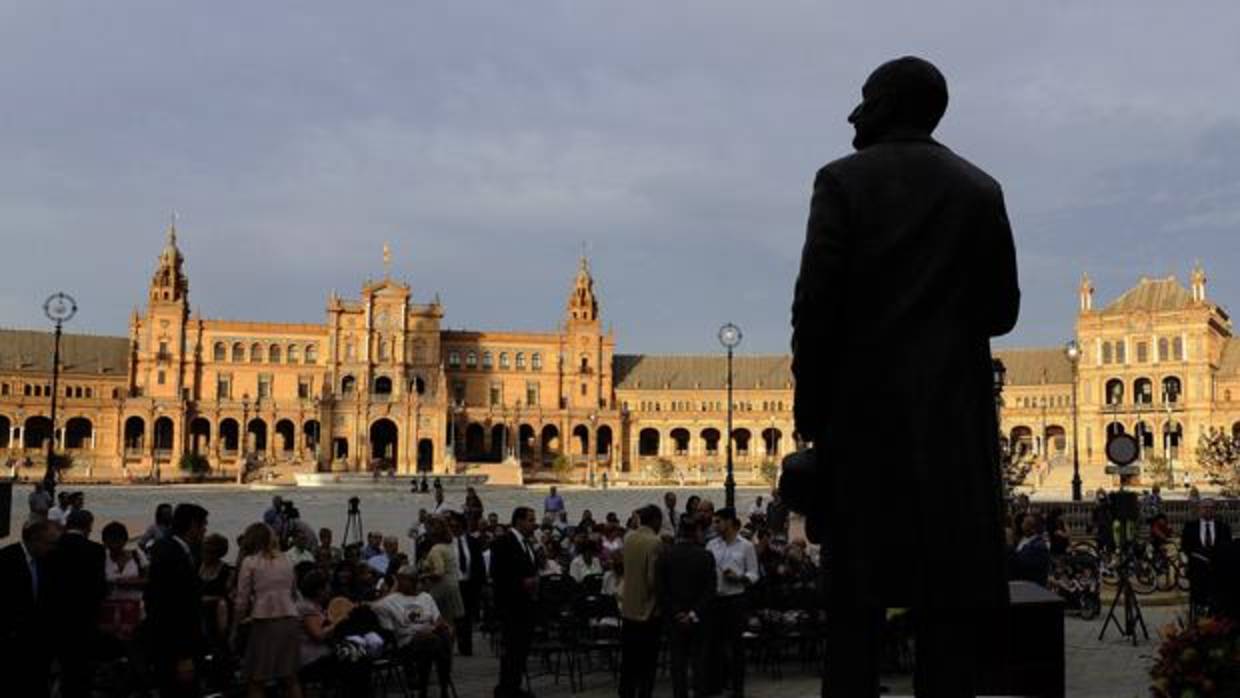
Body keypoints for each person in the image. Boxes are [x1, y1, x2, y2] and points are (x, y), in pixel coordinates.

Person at [791, 56, 1019, 696]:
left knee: (854, 622)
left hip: (864, 433)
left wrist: (812, 417)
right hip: (952, 438)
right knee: (947, 623)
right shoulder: (981, 190)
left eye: (864, 99)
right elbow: (1003, 311)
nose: (853, 114)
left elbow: (815, 308)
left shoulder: (840, 182)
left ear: (890, 105)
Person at [146, 503, 209, 697]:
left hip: (169, 641)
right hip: (177, 644)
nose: (205, 530)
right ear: (192, 526)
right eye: (203, 525)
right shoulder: (174, 556)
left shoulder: (166, 548)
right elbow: (173, 606)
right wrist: (184, 654)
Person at [234, 522, 303, 698]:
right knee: (290, 677)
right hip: (290, 618)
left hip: (265, 620)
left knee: (257, 679)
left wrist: (236, 625)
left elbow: (242, 600)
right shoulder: (286, 560)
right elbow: (294, 593)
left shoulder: (250, 562)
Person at [48, 509, 108, 698]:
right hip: (85, 618)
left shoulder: (52, 548)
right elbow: (100, 588)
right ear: (88, 526)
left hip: (55, 616)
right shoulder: (96, 550)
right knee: (81, 669)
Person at [372, 565, 452, 698]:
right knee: (433, 643)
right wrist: (393, 589)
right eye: (400, 579)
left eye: (406, 579)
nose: (403, 582)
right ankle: (436, 688)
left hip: (431, 636)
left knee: (442, 636)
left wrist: (439, 626)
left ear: (414, 581)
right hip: (408, 642)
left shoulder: (425, 597)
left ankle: (433, 687)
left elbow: (438, 619)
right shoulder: (391, 600)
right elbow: (374, 607)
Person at [0, 519, 60, 698]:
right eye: (50, 543)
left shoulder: (47, 562)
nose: (53, 548)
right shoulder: (6, 559)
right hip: (12, 641)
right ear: (35, 539)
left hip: (39, 642)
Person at [657, 518, 716, 698]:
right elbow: (710, 589)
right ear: (695, 532)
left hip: (674, 617)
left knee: (678, 661)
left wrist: (676, 612)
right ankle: (699, 692)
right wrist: (693, 612)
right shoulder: (705, 556)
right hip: (698, 616)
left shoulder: (665, 556)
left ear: (679, 532)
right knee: (699, 660)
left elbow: (661, 589)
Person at [705, 507, 758, 697]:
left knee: (736, 647)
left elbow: (754, 573)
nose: (715, 525)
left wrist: (740, 577)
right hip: (715, 601)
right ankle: (716, 686)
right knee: (714, 646)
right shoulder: (711, 545)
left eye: (718, 521)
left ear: (728, 522)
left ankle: (737, 688)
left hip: (736, 600)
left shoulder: (746, 546)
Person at [490, 506, 539, 698]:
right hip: (511, 605)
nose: (534, 524)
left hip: (526, 605)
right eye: (530, 520)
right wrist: (521, 582)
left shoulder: (527, 543)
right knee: (511, 650)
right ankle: (505, 688)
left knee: (520, 650)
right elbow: (498, 574)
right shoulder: (504, 542)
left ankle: (514, 686)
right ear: (519, 521)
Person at [619, 504, 663, 698]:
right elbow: (653, 580)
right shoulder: (655, 542)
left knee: (628, 659)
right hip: (648, 610)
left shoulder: (628, 538)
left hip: (628, 608)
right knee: (647, 661)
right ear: (655, 520)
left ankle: (626, 693)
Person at [1181, 499, 1234, 611]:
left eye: (1211, 507)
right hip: (1197, 573)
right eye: (1205, 507)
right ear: (1199, 510)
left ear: (1215, 510)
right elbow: (1185, 547)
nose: (1208, 510)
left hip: (1219, 573)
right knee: (1199, 605)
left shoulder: (1224, 528)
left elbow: (1229, 549)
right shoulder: (1190, 527)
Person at [451, 512, 486, 656]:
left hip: (469, 584)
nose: (454, 528)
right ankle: (455, 644)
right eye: (452, 525)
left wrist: (480, 584)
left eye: (456, 525)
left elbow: (479, 564)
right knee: (455, 617)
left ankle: (466, 647)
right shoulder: (447, 543)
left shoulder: (472, 541)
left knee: (467, 616)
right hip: (453, 584)